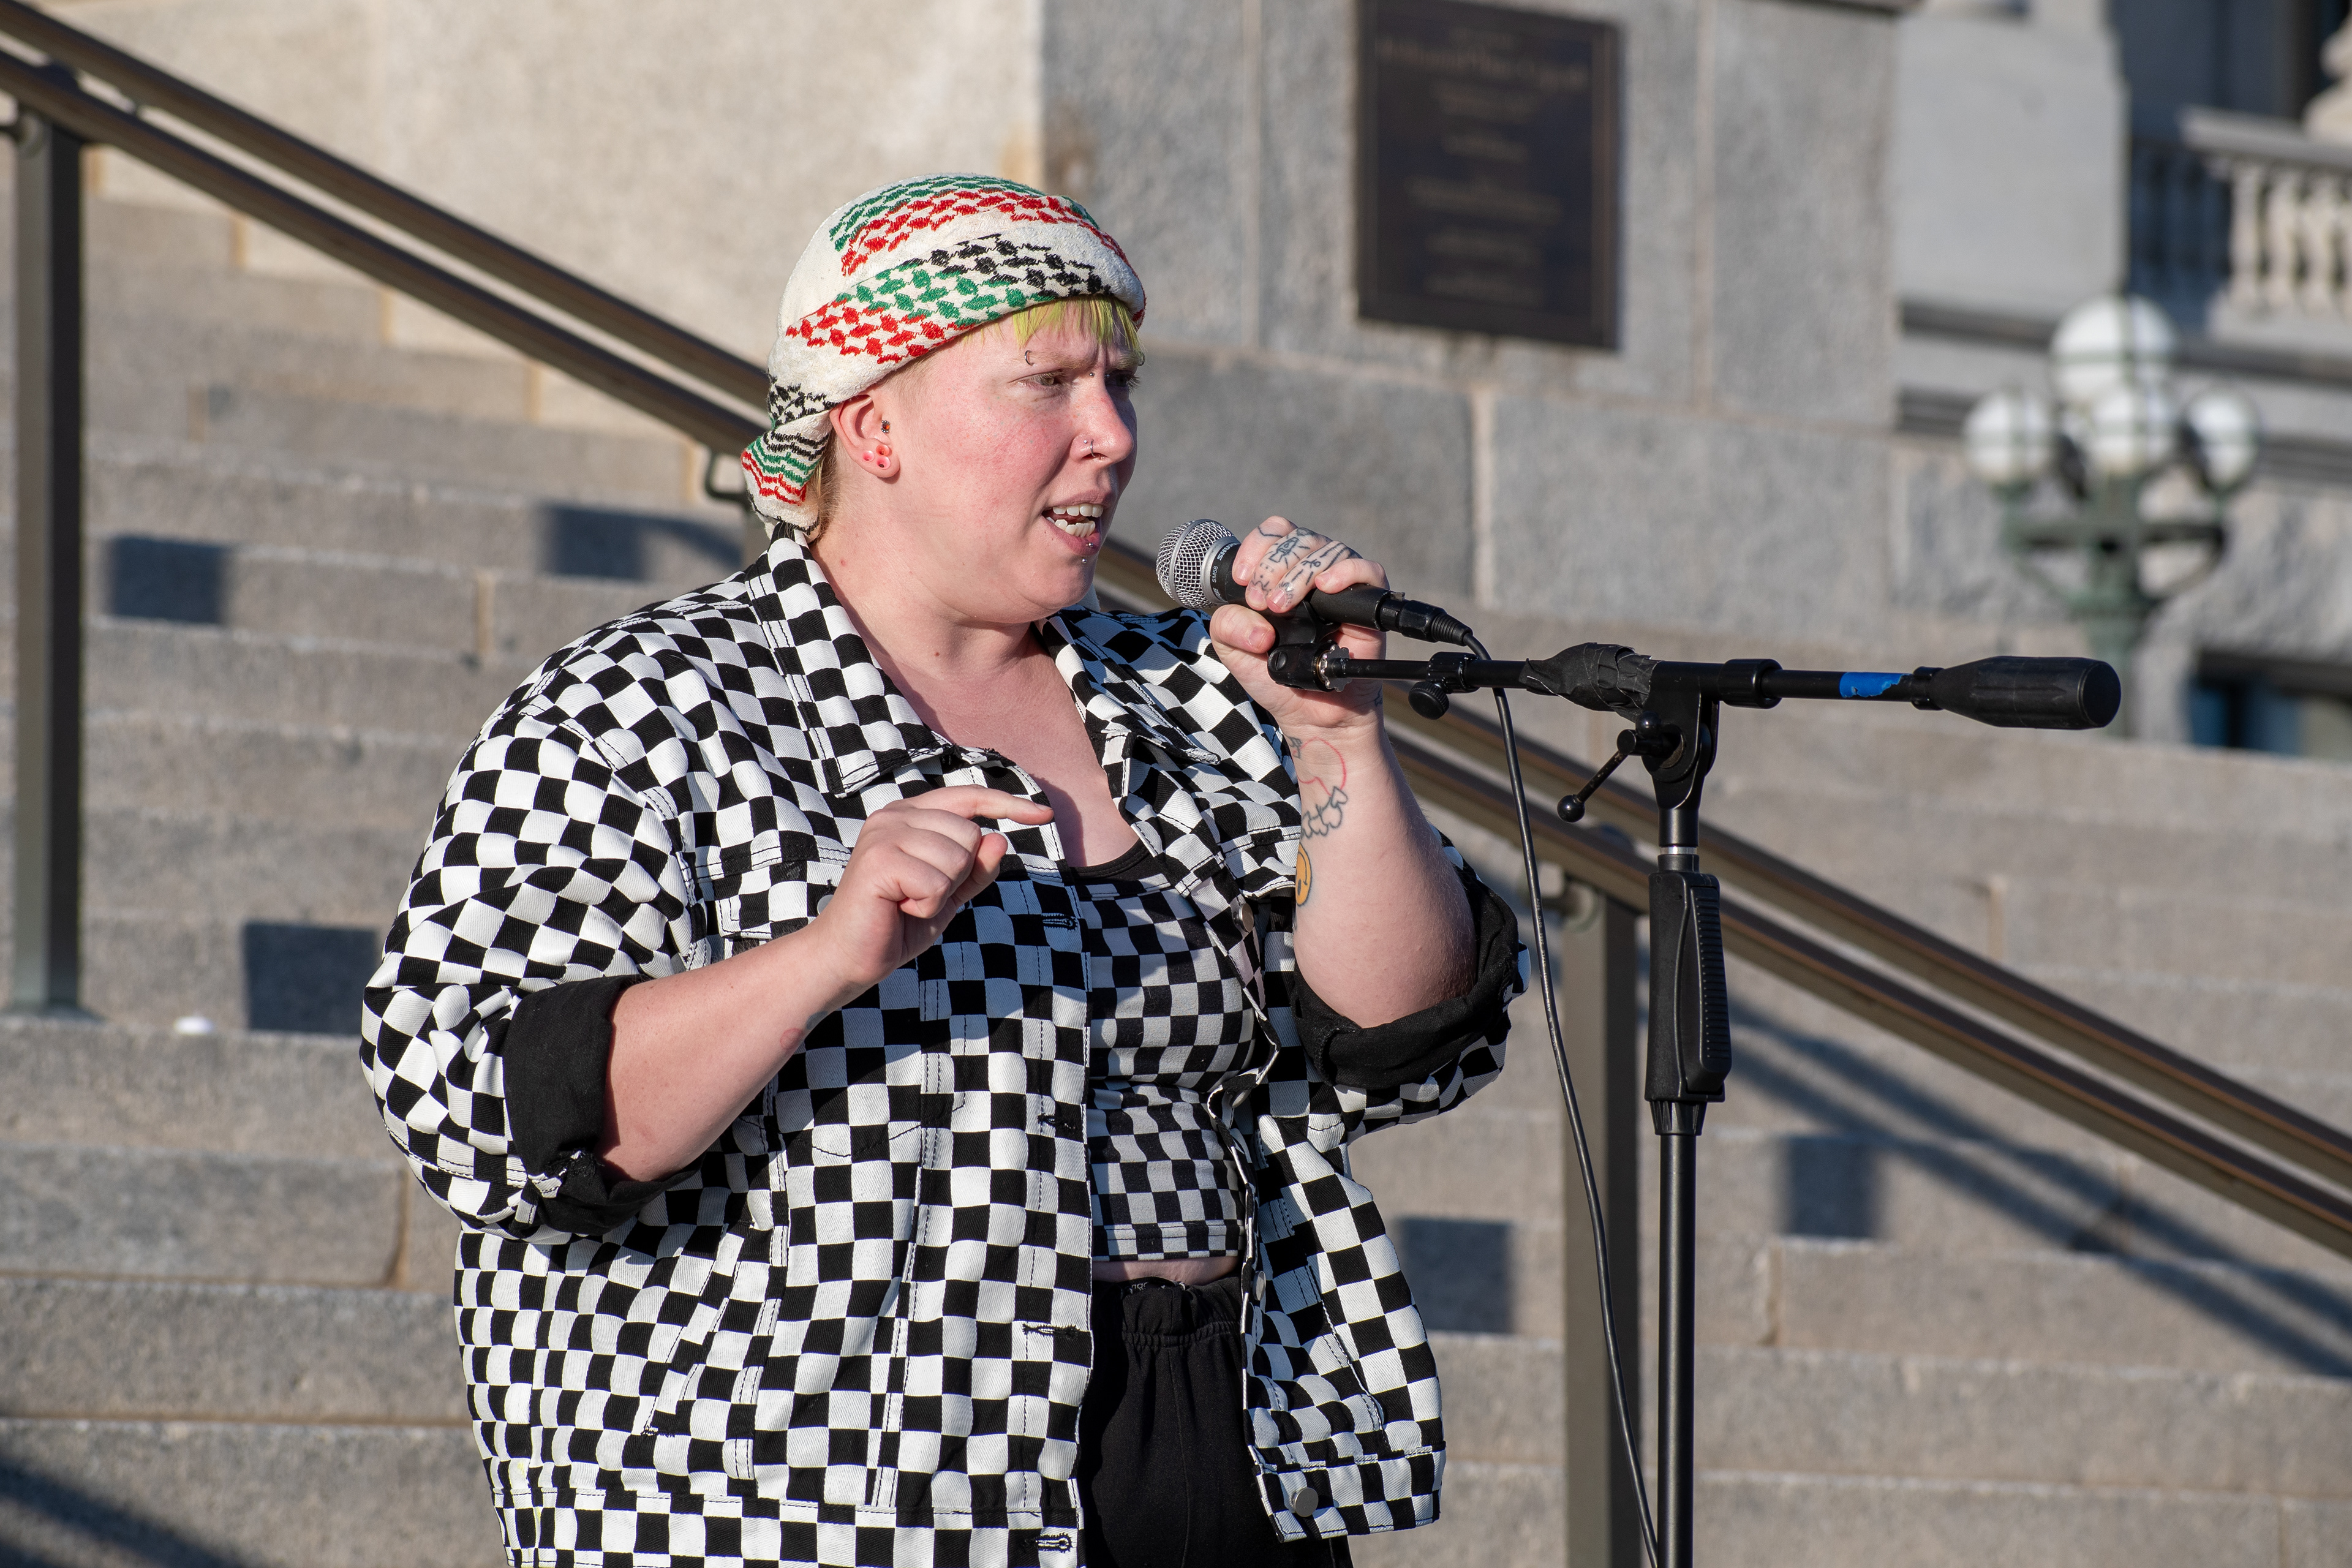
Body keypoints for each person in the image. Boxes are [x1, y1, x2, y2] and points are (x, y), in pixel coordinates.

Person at [361, 174, 1520, 1568]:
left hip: (1216, 1438)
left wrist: (1336, 742)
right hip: (817, 1479)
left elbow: (1400, 1034)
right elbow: (482, 1103)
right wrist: (818, 957)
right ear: (875, 423)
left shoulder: (1193, 692)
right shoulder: (644, 707)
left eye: (1121, 383)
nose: (1110, 436)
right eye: (1047, 385)